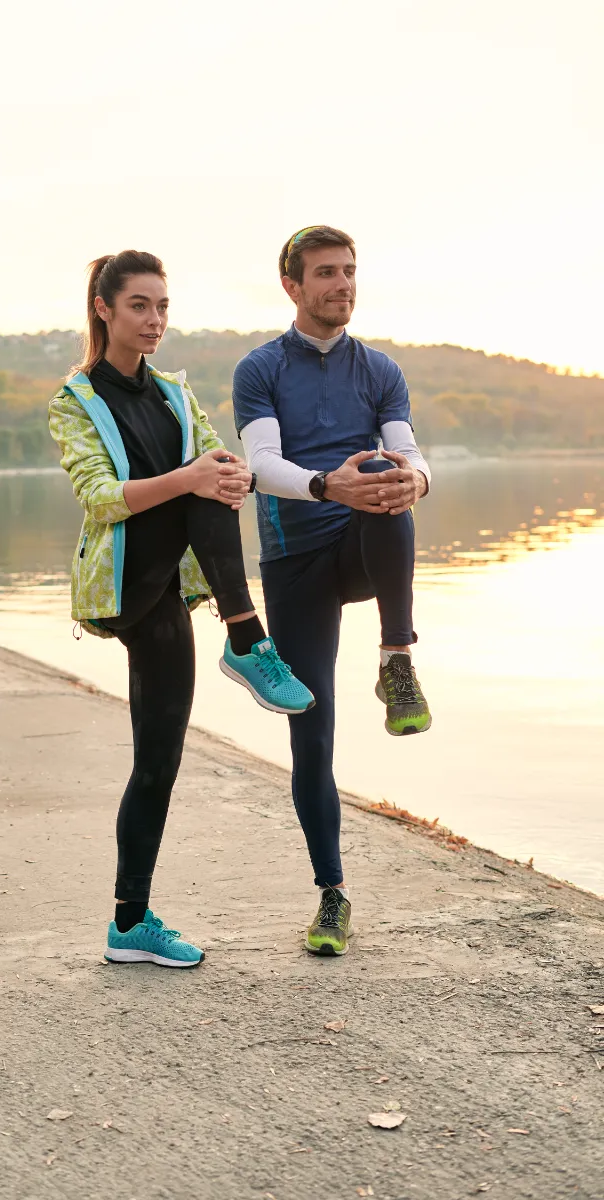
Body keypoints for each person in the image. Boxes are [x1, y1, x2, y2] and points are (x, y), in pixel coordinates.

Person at [49, 250, 313, 970]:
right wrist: (196, 478)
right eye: (140, 305)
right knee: (200, 482)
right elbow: (101, 500)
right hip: (127, 582)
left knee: (158, 761)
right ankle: (248, 638)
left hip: (173, 587)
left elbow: (216, 464)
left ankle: (128, 924)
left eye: (163, 306)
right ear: (103, 309)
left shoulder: (173, 393)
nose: (155, 320)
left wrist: (226, 473)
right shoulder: (75, 401)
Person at [232, 225, 432, 958]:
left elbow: (407, 449)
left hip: (360, 543)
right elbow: (260, 464)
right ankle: (332, 896)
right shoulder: (260, 369)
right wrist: (325, 484)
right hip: (295, 565)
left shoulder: (379, 370)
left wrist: (419, 476)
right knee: (311, 734)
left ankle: (397, 658)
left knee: (388, 477)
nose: (341, 285)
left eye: (349, 272)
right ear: (292, 286)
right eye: (325, 274)